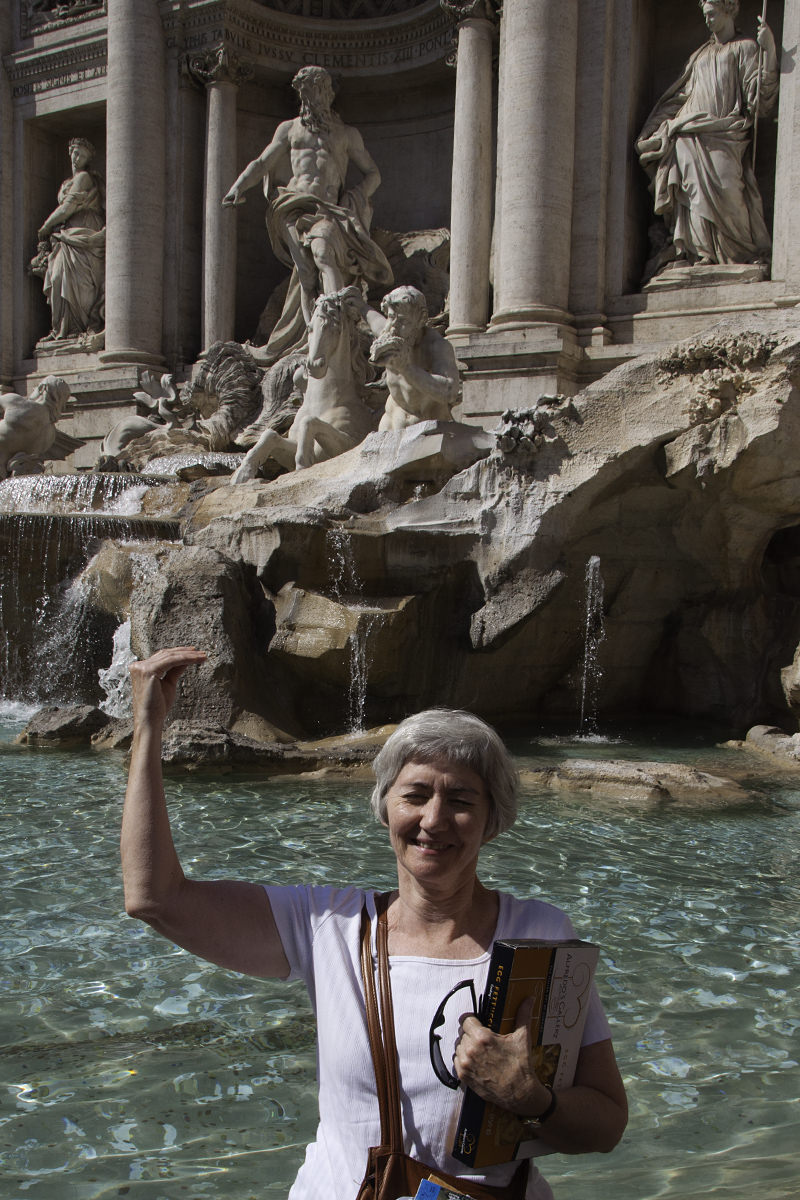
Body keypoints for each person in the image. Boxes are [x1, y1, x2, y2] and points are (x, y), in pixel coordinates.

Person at [122, 647, 628, 1200]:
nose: (433, 820)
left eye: (460, 799)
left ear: (492, 821)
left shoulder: (541, 938)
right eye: (414, 795)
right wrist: (148, 727)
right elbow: (155, 899)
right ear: (385, 807)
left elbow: (606, 1124)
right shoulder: (327, 926)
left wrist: (531, 1097)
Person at [222, 65, 393, 338]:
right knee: (306, 273)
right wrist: (238, 186)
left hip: (329, 210)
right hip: (293, 205)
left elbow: (374, 174)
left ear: (328, 93)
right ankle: (312, 335)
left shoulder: (346, 134)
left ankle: (335, 324)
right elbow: (263, 162)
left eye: (316, 91)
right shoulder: (290, 130)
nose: (311, 99)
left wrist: (355, 197)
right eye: (305, 93)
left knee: (324, 253)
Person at [635, 0, 778, 275]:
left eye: (712, 14)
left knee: (729, 189)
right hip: (687, 132)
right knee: (690, 191)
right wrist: (654, 128)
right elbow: (679, 97)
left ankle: (740, 253)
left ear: (728, 11)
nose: (708, 21)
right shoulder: (698, 56)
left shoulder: (746, 48)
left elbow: (760, 100)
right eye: (705, 16)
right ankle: (699, 254)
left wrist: (769, 49)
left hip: (725, 132)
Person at [358, 285, 461, 430]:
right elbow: (375, 320)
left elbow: (450, 391)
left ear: (421, 319)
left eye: (403, 321)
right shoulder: (390, 332)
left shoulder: (436, 346)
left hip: (428, 431)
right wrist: (359, 304)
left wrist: (406, 368)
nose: (394, 327)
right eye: (391, 317)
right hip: (389, 427)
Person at [32, 137, 105, 340]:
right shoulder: (66, 182)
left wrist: (45, 226)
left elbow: (68, 207)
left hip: (84, 232)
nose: (76, 157)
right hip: (66, 236)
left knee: (81, 284)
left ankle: (78, 328)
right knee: (57, 278)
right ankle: (61, 330)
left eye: (81, 154)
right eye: (74, 152)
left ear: (88, 158)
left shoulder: (84, 178)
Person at [0, 375, 72, 479]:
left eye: (37, 387)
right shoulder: (50, 436)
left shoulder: (18, 403)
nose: (34, 390)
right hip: (7, 474)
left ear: (42, 389)